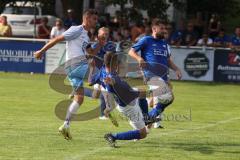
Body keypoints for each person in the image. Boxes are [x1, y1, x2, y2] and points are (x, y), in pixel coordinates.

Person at [34, 9, 104, 140]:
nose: (96, 21)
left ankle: (66, 125)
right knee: (103, 73)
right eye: (94, 19)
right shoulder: (76, 29)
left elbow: (91, 53)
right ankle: (108, 101)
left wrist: (100, 44)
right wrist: (41, 51)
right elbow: (57, 39)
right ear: (87, 18)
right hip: (75, 65)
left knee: (79, 99)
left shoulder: (86, 35)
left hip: (73, 70)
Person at [128, 19, 182, 128]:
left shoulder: (163, 43)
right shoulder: (146, 40)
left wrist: (176, 69)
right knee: (167, 97)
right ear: (154, 29)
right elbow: (131, 51)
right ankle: (147, 118)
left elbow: (167, 60)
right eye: (162, 28)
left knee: (169, 99)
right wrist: (139, 58)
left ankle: (147, 119)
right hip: (151, 75)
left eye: (165, 29)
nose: (164, 31)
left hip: (163, 77)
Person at [90, 52, 152, 147]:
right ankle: (113, 136)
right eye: (117, 62)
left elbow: (90, 81)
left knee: (142, 92)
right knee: (143, 133)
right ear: (114, 64)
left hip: (125, 97)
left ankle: (145, 118)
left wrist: (92, 68)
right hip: (128, 105)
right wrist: (111, 83)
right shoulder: (112, 78)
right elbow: (114, 84)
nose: (119, 64)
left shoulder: (102, 71)